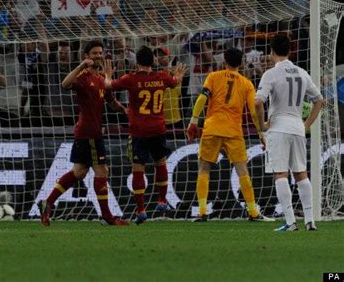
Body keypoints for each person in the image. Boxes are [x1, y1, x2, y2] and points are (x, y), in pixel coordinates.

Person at [38, 40, 129, 226]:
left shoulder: (102, 78)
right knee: (102, 171)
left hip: (91, 132)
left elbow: (111, 102)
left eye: (100, 52)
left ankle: (48, 202)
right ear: (87, 56)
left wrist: (125, 110)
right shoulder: (83, 76)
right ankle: (107, 217)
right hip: (89, 133)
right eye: (94, 53)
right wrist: (80, 66)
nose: (98, 55)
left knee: (79, 172)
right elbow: (65, 84)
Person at [186, 47, 273, 222]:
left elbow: (202, 98)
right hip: (234, 131)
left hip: (212, 128)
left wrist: (193, 120)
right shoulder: (247, 83)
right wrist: (260, 132)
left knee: (204, 168)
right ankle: (253, 213)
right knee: (242, 170)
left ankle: (202, 212)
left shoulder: (213, 77)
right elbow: (253, 111)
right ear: (241, 63)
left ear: (224, 61)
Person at [105, 46, 187, 224]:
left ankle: (141, 210)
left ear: (137, 62)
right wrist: (179, 76)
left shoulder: (130, 79)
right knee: (160, 163)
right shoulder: (162, 76)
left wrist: (108, 74)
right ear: (153, 61)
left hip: (139, 131)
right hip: (158, 129)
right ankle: (162, 200)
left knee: (138, 168)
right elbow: (175, 82)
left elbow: (108, 85)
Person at [255, 35, 324, 231]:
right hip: (297, 128)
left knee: (280, 173)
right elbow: (319, 101)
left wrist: (262, 126)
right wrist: (306, 125)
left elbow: (258, 102)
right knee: (301, 173)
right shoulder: (302, 73)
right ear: (290, 51)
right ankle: (310, 220)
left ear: (271, 52)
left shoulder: (271, 74)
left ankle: (290, 221)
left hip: (278, 128)